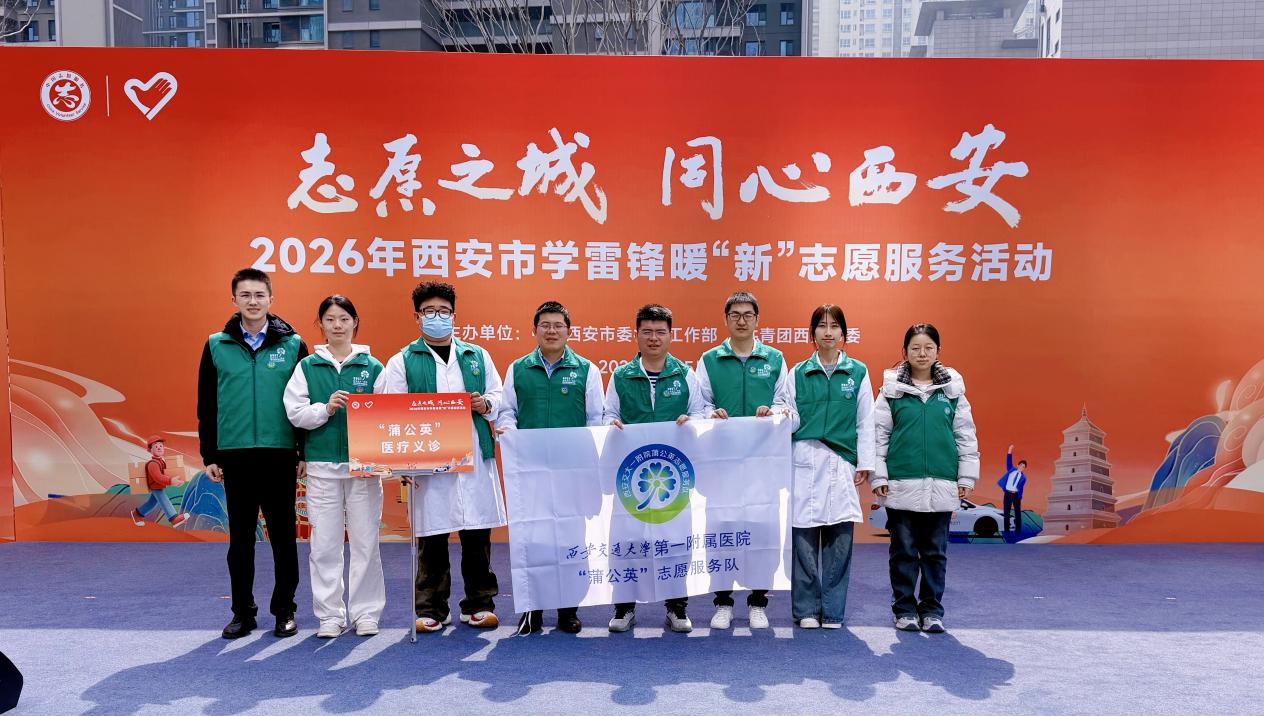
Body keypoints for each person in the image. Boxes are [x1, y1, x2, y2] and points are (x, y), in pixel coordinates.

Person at [376, 281, 506, 633]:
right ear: (417, 317)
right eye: (430, 311)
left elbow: (499, 396)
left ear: (454, 316)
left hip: (473, 454)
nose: (438, 317)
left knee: (476, 534)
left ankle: (479, 603)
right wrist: (402, 462)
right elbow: (391, 410)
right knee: (431, 536)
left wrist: (485, 403)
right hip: (428, 459)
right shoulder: (402, 360)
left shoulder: (477, 355)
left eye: (444, 312)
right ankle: (431, 607)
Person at [197, 268, 308, 639]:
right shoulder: (216, 344)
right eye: (245, 295)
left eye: (260, 294)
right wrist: (210, 454)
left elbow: (306, 402)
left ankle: (285, 610)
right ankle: (242, 612)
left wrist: (303, 451)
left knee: (283, 537)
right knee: (241, 540)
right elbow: (207, 404)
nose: (253, 301)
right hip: (236, 453)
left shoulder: (293, 344)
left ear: (271, 299)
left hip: (280, 452)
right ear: (234, 300)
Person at [497, 301, 605, 635]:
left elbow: (596, 420)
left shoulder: (586, 370)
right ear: (535, 330)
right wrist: (509, 431)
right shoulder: (518, 369)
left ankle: (568, 610)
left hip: (572, 473)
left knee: (570, 540)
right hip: (530, 472)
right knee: (534, 540)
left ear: (569, 331)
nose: (552, 331)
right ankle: (533, 609)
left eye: (558, 325)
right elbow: (507, 411)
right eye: (545, 325)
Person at [284, 295, 386, 639]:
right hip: (322, 467)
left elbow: (388, 416)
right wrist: (325, 409)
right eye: (330, 319)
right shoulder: (308, 367)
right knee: (324, 545)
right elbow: (295, 413)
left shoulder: (374, 367)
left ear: (355, 322)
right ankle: (329, 615)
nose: (337, 325)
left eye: (344, 318)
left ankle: (366, 613)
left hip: (364, 469)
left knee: (365, 543)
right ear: (321, 324)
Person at [603, 304, 708, 633]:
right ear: (636, 335)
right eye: (646, 331)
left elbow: (701, 414)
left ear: (670, 335)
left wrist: (691, 422)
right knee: (627, 539)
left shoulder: (685, 375)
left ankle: (676, 607)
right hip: (632, 476)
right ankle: (624, 607)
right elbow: (607, 415)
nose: (653, 338)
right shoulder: (621, 376)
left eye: (660, 332)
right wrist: (612, 425)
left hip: (672, 477)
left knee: (675, 540)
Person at [872, 323, 979, 634]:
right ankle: (904, 609)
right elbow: (878, 436)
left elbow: (965, 436)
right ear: (905, 352)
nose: (922, 353)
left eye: (928, 348)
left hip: (942, 484)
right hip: (900, 483)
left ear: (938, 351)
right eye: (915, 348)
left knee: (935, 553)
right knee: (903, 551)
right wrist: (879, 475)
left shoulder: (953, 392)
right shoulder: (891, 391)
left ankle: (931, 610)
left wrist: (966, 477)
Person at [696, 291, 793, 631]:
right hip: (722, 465)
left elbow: (786, 405)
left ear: (757, 319)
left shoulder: (775, 359)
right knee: (722, 532)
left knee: (760, 533)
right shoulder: (709, 359)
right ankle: (722, 601)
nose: (741, 320)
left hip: (761, 467)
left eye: (747, 315)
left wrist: (773, 412)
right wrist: (712, 414)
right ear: (726, 319)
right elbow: (699, 405)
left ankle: (758, 601)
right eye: (735, 315)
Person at [786, 304, 874, 629]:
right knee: (804, 540)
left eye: (834, 326)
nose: (828, 332)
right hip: (805, 459)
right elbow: (789, 415)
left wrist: (865, 462)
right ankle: (807, 610)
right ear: (812, 334)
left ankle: (833, 611)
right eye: (821, 326)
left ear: (844, 333)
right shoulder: (797, 373)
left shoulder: (858, 372)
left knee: (840, 538)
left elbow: (866, 421)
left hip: (841, 461)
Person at [130, 436, 189, 528]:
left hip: (159, 486)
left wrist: (175, 481)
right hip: (155, 487)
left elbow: (166, 474)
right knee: (164, 500)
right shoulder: (153, 464)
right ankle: (174, 518)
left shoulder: (161, 462)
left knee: (152, 503)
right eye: (156, 446)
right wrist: (171, 481)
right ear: (150, 450)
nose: (159, 448)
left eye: (161, 446)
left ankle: (137, 514)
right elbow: (158, 477)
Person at [998, 445, 1027, 536]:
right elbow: (1009, 461)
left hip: (1016, 495)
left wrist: (1019, 497)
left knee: (1017, 513)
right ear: (1017, 465)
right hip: (1007, 494)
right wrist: (1009, 450)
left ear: (1024, 469)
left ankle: (1018, 531)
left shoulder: (1023, 477)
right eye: (1021, 465)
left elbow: (1021, 488)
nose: (1022, 467)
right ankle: (1006, 531)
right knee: (1006, 512)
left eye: (1023, 467)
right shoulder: (1011, 470)